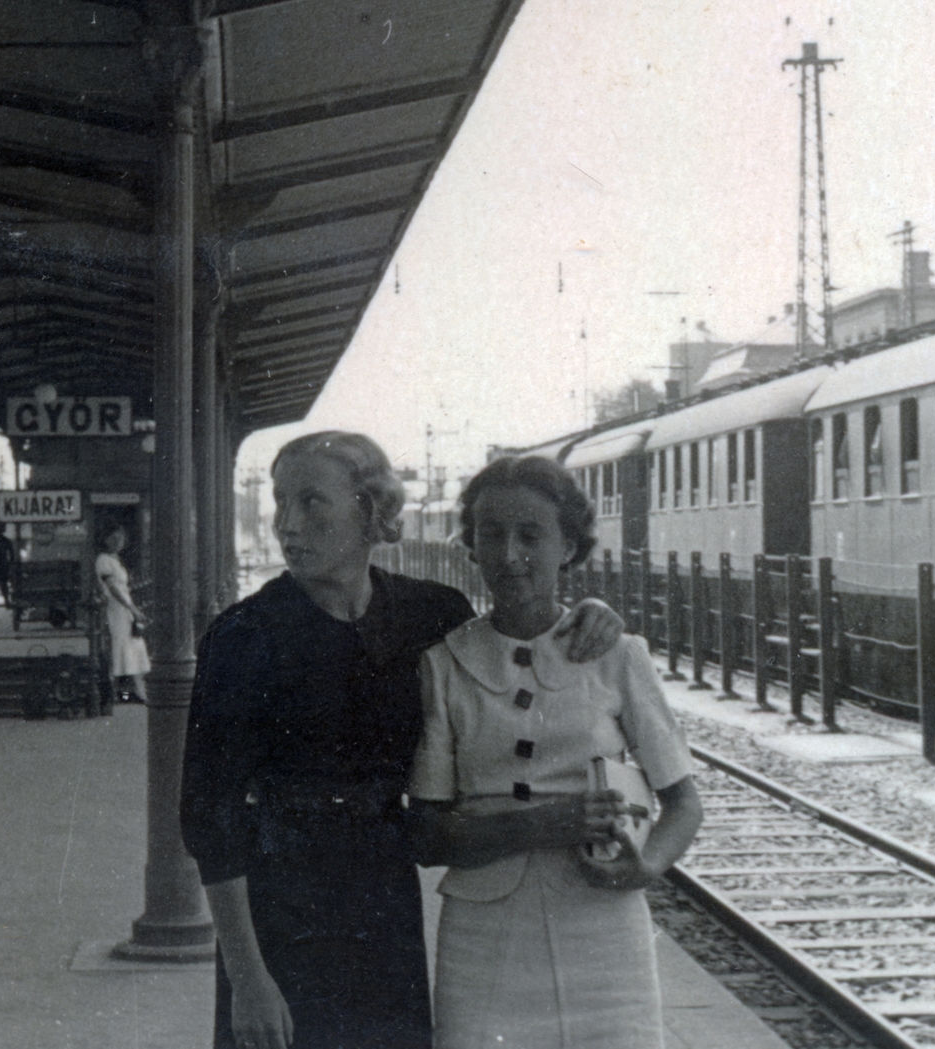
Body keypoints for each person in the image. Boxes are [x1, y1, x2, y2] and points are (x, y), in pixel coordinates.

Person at [180, 431, 626, 1049]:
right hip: (281, 900)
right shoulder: (243, 635)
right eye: (280, 502)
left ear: (370, 510)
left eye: (312, 502)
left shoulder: (428, 613)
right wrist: (246, 978)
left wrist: (593, 611)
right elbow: (208, 816)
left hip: (383, 894)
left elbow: (517, 639)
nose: (287, 523)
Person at [409, 455, 703, 1049]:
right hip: (483, 939)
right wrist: (543, 823)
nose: (510, 553)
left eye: (531, 535)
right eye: (491, 534)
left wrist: (646, 868)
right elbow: (427, 834)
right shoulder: (444, 664)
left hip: (603, 932)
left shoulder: (618, 655)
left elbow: (684, 803)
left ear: (569, 545)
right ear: (470, 545)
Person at [95, 525, 150, 703]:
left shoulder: (115, 560)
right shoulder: (103, 560)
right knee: (121, 647)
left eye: (120, 538)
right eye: (113, 538)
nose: (117, 542)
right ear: (105, 540)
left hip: (125, 608)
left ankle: (133, 690)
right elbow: (113, 589)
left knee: (132, 647)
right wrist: (132, 608)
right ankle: (121, 691)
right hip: (116, 608)